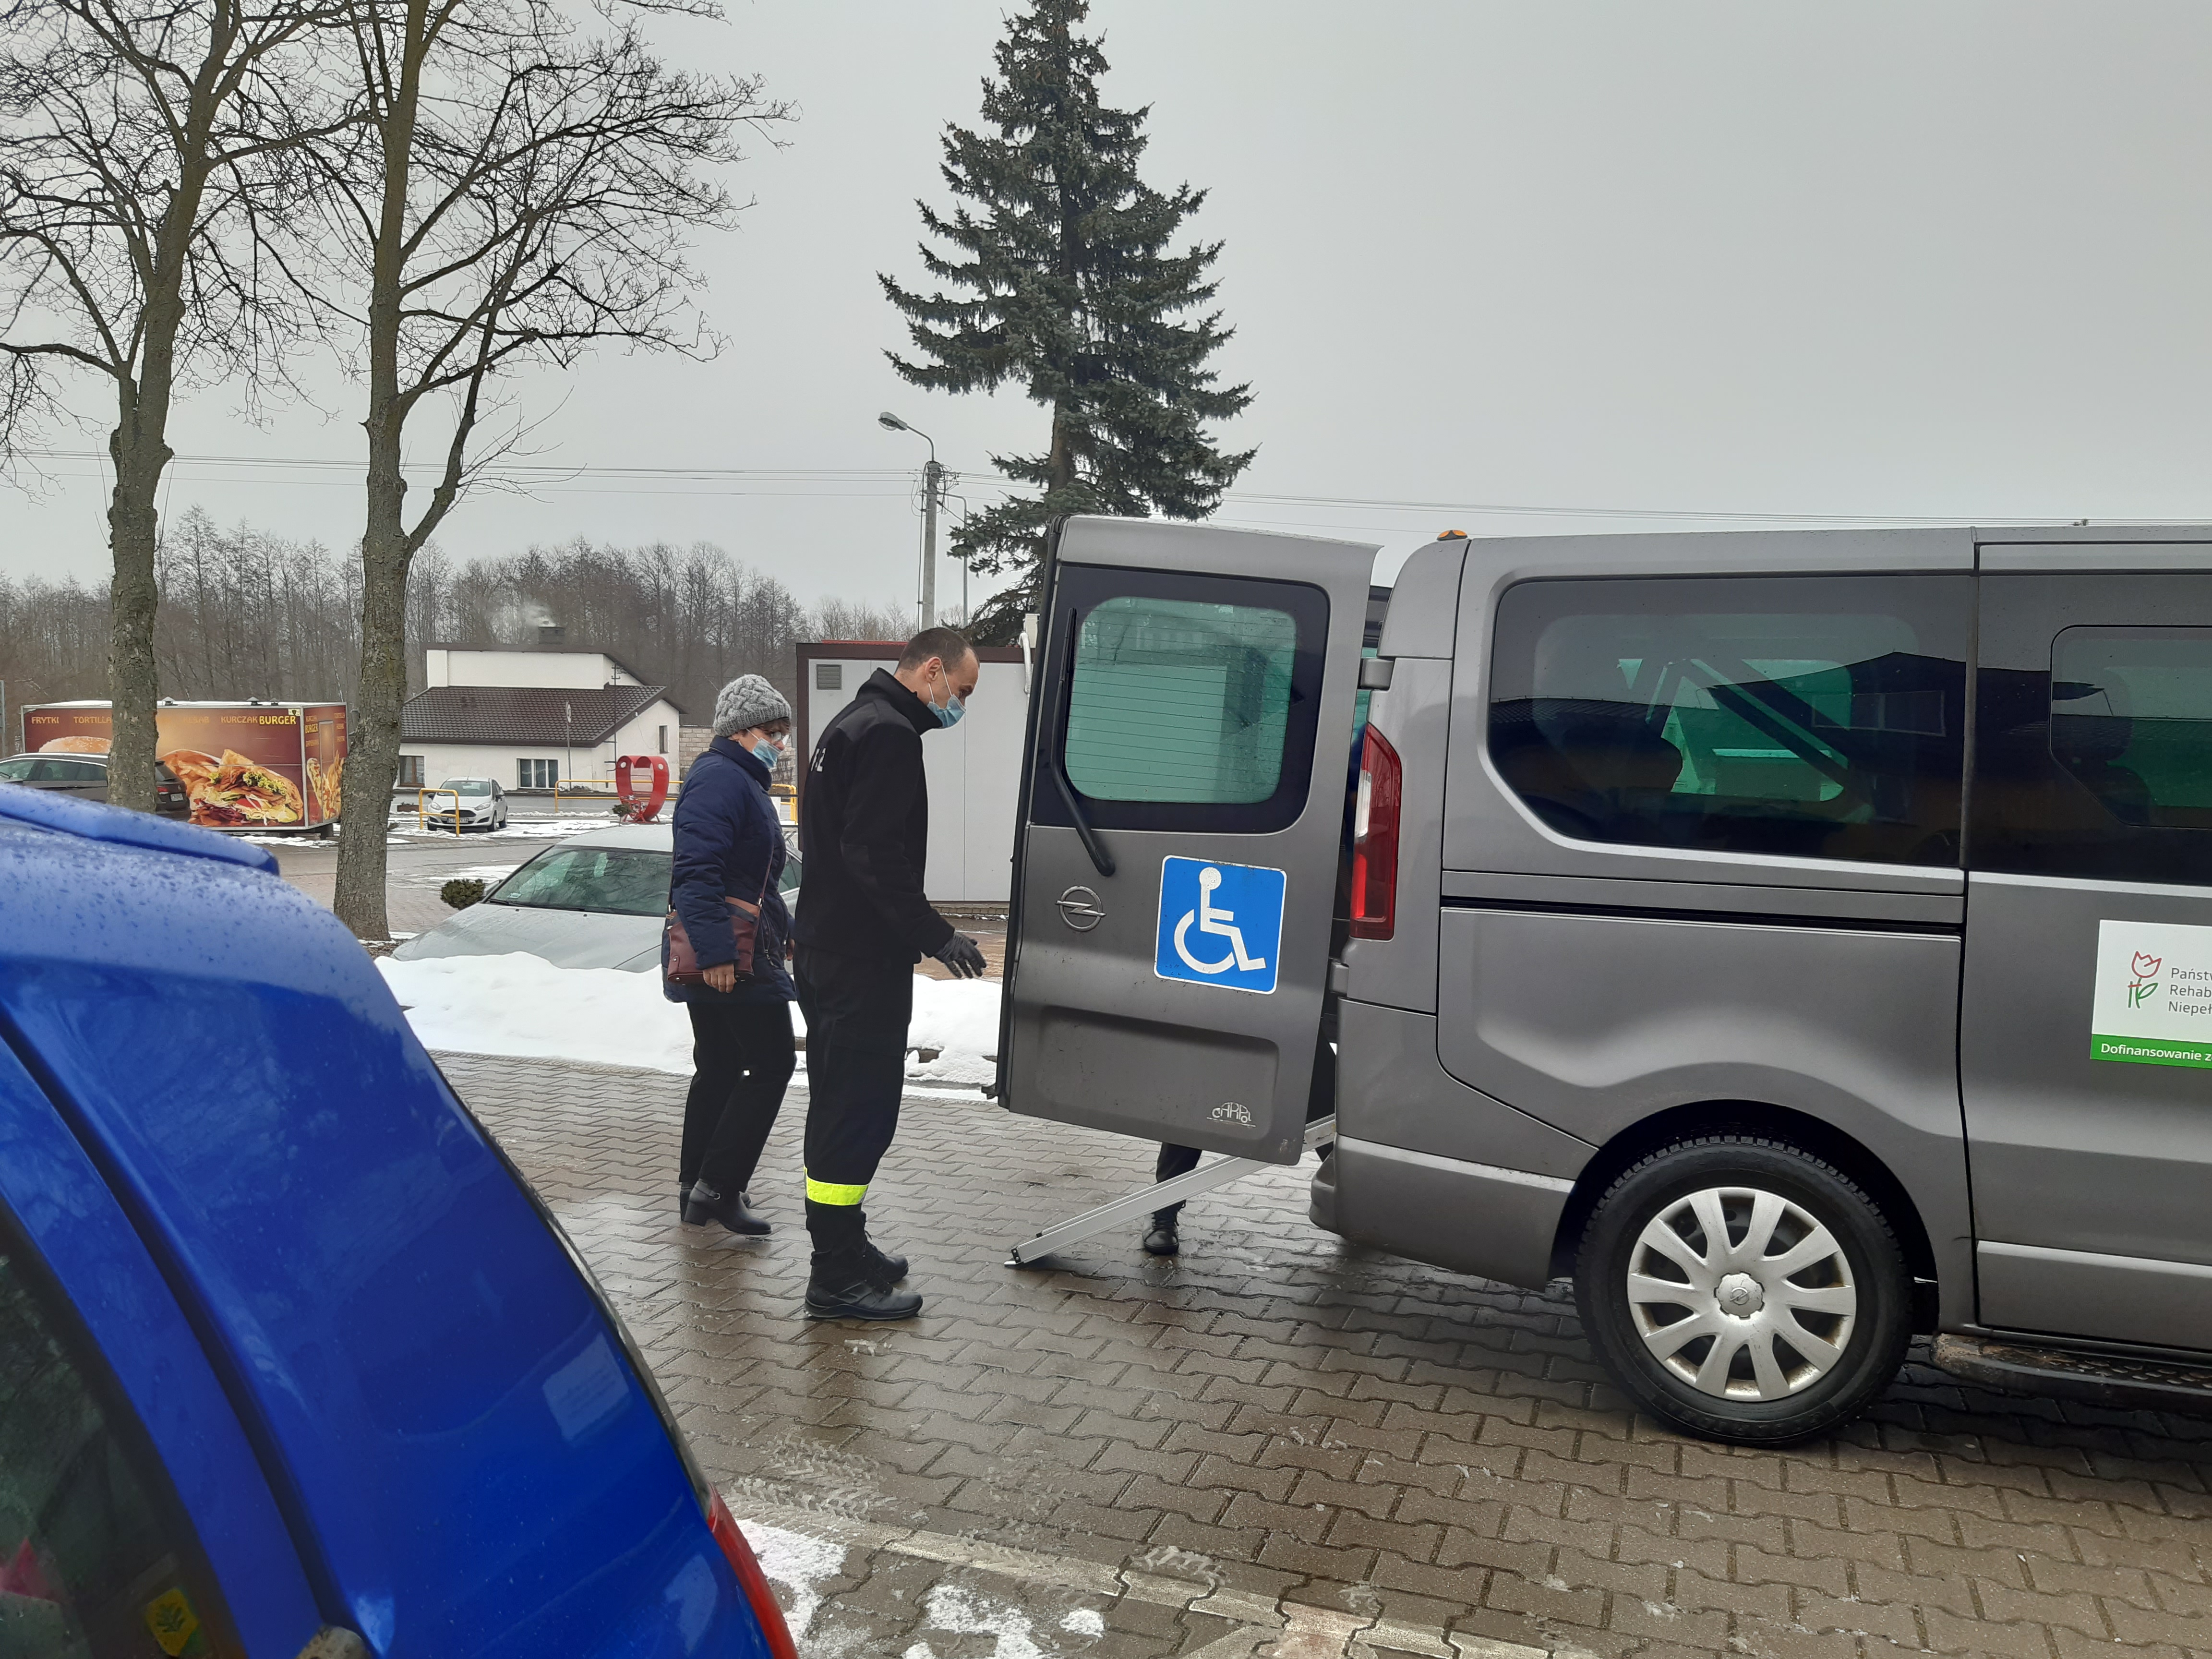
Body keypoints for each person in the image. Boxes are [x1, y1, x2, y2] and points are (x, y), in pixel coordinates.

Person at [793, 626, 987, 1320]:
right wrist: (935, 934)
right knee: (857, 1113)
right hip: (858, 962)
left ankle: (846, 1247)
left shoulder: (854, 720)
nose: (961, 705)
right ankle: (833, 1276)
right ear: (932, 671)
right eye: (962, 690)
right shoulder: (889, 735)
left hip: (828, 952)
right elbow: (873, 853)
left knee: (840, 1105)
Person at [668, 674, 799, 1238]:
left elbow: (756, 882)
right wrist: (717, 954)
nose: (780, 743)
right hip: (731, 956)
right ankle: (719, 1186)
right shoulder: (722, 779)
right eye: (772, 732)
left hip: (737, 946)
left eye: (783, 732)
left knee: (720, 1065)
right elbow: (696, 873)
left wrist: (785, 931)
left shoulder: (738, 779)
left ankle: (696, 1188)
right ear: (741, 731)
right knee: (772, 1063)